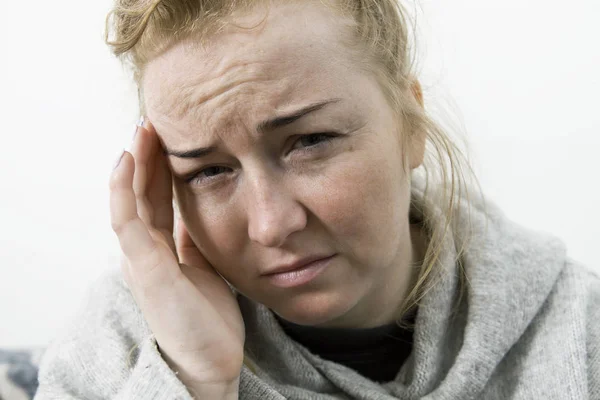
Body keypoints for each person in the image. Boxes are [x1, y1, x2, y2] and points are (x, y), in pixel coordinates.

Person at [34, 0, 599, 399]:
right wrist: (194, 379)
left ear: (411, 124)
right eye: (208, 171)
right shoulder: (122, 346)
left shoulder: (579, 333)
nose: (270, 225)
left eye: (309, 142)